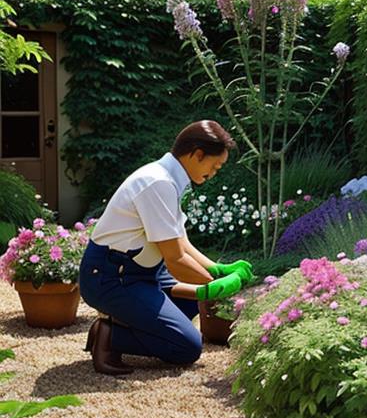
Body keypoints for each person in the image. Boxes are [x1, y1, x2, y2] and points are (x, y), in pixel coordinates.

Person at [79, 120, 253, 375]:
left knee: (192, 301)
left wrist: (218, 269)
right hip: (111, 276)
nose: (215, 172)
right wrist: (214, 287)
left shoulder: (169, 178)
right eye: (215, 166)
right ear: (197, 154)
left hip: (141, 272)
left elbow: (180, 241)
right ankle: (108, 334)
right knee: (187, 348)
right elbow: (176, 260)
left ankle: (129, 319)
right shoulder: (157, 182)